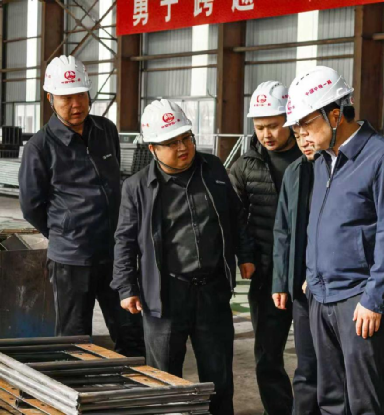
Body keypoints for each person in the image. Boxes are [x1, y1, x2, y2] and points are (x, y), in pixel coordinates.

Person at [111, 99, 255, 415]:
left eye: (186, 138)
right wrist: (126, 286)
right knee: (164, 379)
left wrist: (245, 255)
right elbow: (124, 240)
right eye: (171, 143)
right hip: (165, 295)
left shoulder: (213, 169)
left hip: (212, 292)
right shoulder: (137, 187)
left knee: (218, 377)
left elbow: (235, 215)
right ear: (152, 149)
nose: (183, 148)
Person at [285, 66, 384, 415]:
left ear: (335, 114)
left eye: (306, 124)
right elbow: (320, 224)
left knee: (364, 402)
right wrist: (312, 273)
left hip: (359, 301)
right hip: (320, 295)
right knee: (330, 399)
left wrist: (375, 298)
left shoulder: (383, 157)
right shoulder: (321, 162)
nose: (301, 135)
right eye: (296, 128)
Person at [19, 55, 144, 357]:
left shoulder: (106, 130)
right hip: (72, 261)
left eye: (81, 95)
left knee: (132, 333)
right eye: (66, 98)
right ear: (51, 99)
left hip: (116, 254)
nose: (76, 104)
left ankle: (131, 384)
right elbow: (31, 205)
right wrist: (65, 232)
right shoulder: (40, 147)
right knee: (74, 341)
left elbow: (114, 181)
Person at [229, 81, 302, 415]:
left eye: (273, 125)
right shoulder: (246, 165)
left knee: (315, 355)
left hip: (307, 271)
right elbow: (236, 216)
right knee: (268, 354)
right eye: (259, 127)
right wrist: (246, 256)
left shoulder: (311, 157)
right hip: (266, 272)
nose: (266, 134)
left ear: (290, 119)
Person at [272, 131, 320, 415]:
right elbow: (283, 229)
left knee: (338, 372)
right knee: (306, 369)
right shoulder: (295, 171)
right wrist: (281, 280)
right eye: (298, 134)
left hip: (337, 289)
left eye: (308, 132)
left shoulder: (345, 169)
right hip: (302, 291)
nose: (304, 141)